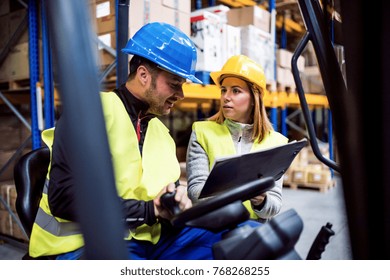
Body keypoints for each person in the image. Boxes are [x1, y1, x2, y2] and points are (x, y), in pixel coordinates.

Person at [28, 22, 236, 260]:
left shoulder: (161, 134)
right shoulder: (90, 112)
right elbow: (63, 198)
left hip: (149, 241)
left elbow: (160, 194)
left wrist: (175, 201)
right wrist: (149, 210)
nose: (180, 95)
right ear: (144, 75)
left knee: (238, 238)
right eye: (174, 84)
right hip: (83, 246)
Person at [186, 55, 289, 222]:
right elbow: (196, 192)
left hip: (254, 229)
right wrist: (242, 190)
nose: (226, 97)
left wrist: (262, 201)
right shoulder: (202, 132)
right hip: (213, 227)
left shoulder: (275, 143)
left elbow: (274, 205)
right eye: (223, 90)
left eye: (236, 91)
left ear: (254, 99)